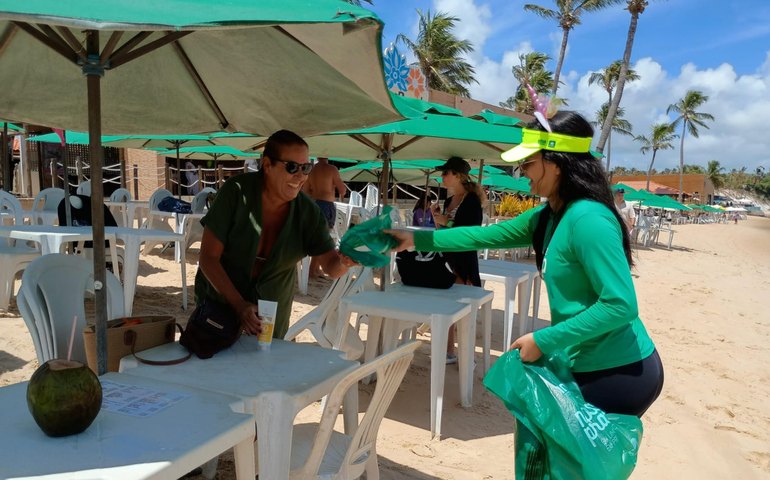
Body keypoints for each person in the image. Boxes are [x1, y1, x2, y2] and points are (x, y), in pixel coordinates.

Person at [386, 111, 664, 418]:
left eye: (528, 164)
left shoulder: (589, 220)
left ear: (556, 164)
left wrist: (543, 339)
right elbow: (483, 235)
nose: (522, 172)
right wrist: (413, 239)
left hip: (618, 370)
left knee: (568, 465)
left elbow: (620, 305)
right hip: (580, 360)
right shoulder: (549, 215)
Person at [195, 130, 356, 340]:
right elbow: (208, 258)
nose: (300, 176)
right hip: (219, 306)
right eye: (292, 167)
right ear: (267, 164)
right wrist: (238, 304)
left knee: (262, 368)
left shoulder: (308, 212)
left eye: (306, 168)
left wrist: (348, 259)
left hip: (271, 314)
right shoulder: (236, 192)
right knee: (213, 365)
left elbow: (331, 267)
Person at [430, 156, 485, 363]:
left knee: (462, 310)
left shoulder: (471, 200)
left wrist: (446, 221)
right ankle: (449, 351)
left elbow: (471, 233)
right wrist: (437, 220)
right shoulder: (449, 200)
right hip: (448, 257)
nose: (442, 176)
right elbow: (443, 232)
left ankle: (466, 354)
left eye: (445, 173)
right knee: (448, 306)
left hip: (463, 261)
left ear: (458, 175)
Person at [302, 157, 348, 277]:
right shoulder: (331, 169)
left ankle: (315, 269)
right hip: (327, 204)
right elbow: (342, 190)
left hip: (315, 204)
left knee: (317, 237)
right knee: (323, 238)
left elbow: (306, 191)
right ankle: (312, 270)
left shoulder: (311, 170)